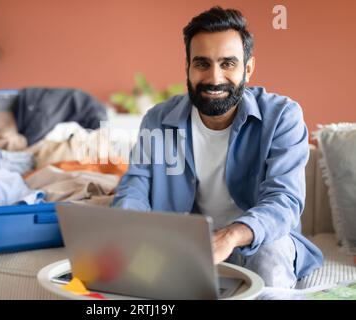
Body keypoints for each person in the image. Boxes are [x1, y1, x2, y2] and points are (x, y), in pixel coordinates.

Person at [112, 6, 323, 288]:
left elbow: (284, 201)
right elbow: (135, 187)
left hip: (257, 241)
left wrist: (232, 235)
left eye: (227, 64)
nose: (214, 78)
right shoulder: (158, 120)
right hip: (184, 246)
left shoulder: (282, 116)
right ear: (187, 67)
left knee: (270, 253)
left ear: (248, 68)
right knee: (127, 275)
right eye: (202, 64)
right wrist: (131, 228)